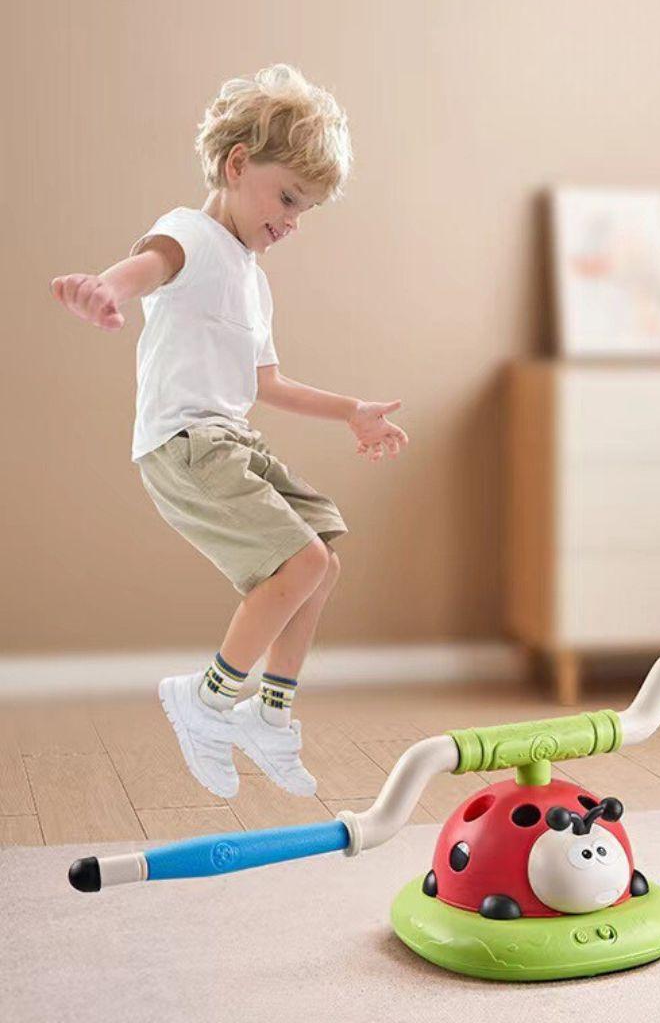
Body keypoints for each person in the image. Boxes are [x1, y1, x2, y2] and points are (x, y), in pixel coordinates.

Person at [50, 64, 408, 800]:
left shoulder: (252, 275)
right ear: (238, 164)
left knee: (322, 562)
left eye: (306, 209)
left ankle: (269, 713)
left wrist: (350, 410)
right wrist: (106, 288)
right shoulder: (192, 233)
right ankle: (206, 698)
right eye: (288, 198)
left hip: (231, 440)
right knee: (301, 562)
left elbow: (266, 383)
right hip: (185, 444)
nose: (293, 221)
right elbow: (148, 266)